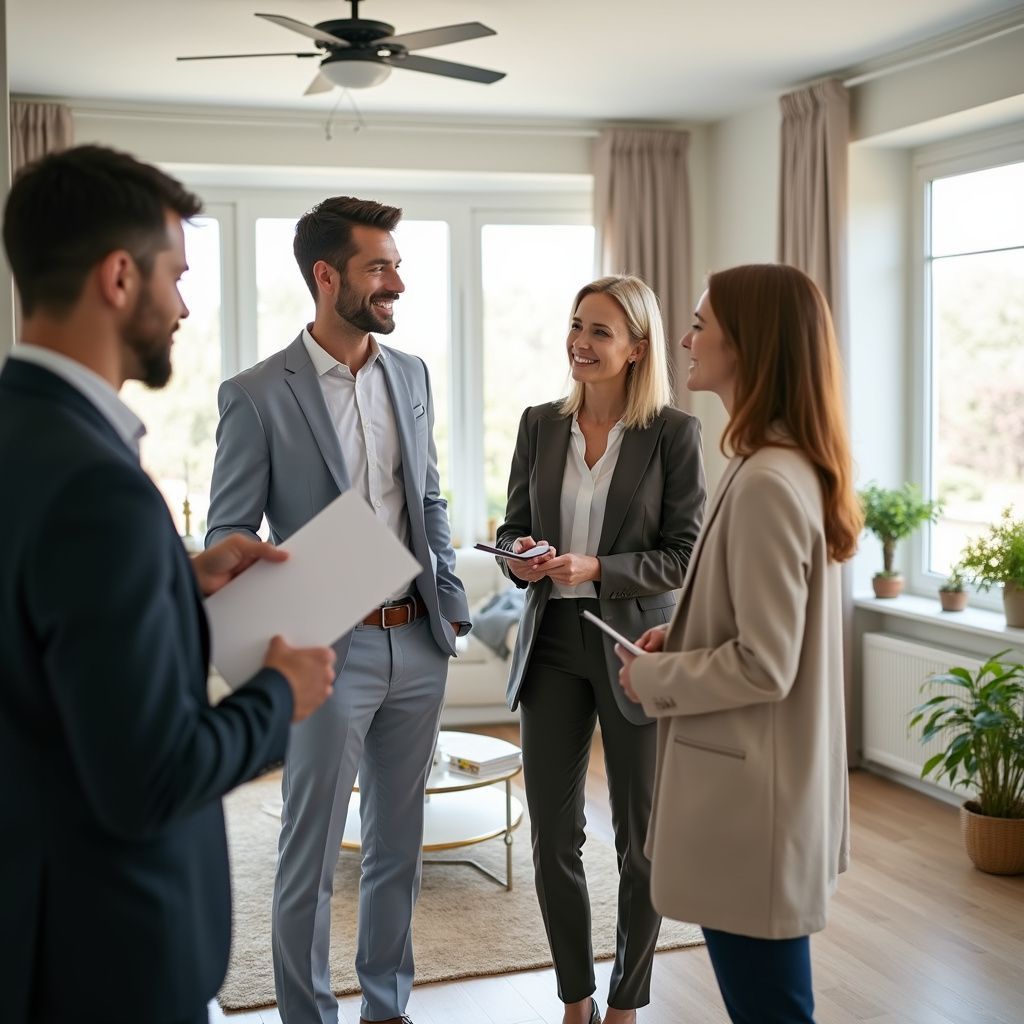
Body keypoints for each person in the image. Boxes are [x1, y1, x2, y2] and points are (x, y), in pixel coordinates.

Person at [0, 145, 336, 1024]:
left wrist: (171, 582)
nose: (184, 305)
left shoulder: (20, 437)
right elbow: (149, 779)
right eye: (175, 276)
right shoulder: (96, 483)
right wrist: (281, 695)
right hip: (105, 954)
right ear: (119, 277)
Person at [205, 196, 469, 1024]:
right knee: (310, 855)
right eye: (378, 266)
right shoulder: (255, 394)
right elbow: (229, 531)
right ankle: (306, 1016)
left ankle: (386, 1006)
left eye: (395, 262)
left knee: (399, 847)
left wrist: (451, 608)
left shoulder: (412, 374)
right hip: (325, 655)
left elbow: (425, 497)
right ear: (327, 277)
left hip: (416, 644)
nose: (397, 280)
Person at [616, 263, 861, 1024]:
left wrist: (657, 677)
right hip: (765, 800)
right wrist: (683, 634)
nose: (685, 340)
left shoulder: (764, 482)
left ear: (746, 346)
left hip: (753, 809)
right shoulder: (774, 466)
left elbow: (765, 663)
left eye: (700, 325)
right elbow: (756, 628)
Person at [495, 275, 706, 1024]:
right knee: (554, 835)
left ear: (637, 348)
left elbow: (684, 556)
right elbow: (513, 527)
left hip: (632, 646)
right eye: (576, 325)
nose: (580, 343)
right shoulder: (540, 423)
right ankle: (575, 997)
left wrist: (597, 569)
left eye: (600, 332)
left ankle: (626, 1002)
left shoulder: (673, 435)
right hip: (551, 641)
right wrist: (519, 555)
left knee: (640, 842)